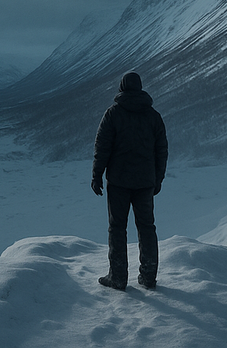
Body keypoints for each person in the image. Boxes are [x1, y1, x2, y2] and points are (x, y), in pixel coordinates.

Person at [91, 70, 168, 291]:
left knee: (117, 228)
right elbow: (161, 150)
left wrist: (97, 175)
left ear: (122, 88)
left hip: (118, 182)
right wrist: (158, 178)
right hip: (145, 182)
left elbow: (102, 147)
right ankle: (148, 276)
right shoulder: (153, 116)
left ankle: (118, 277)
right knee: (147, 228)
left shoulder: (113, 114)